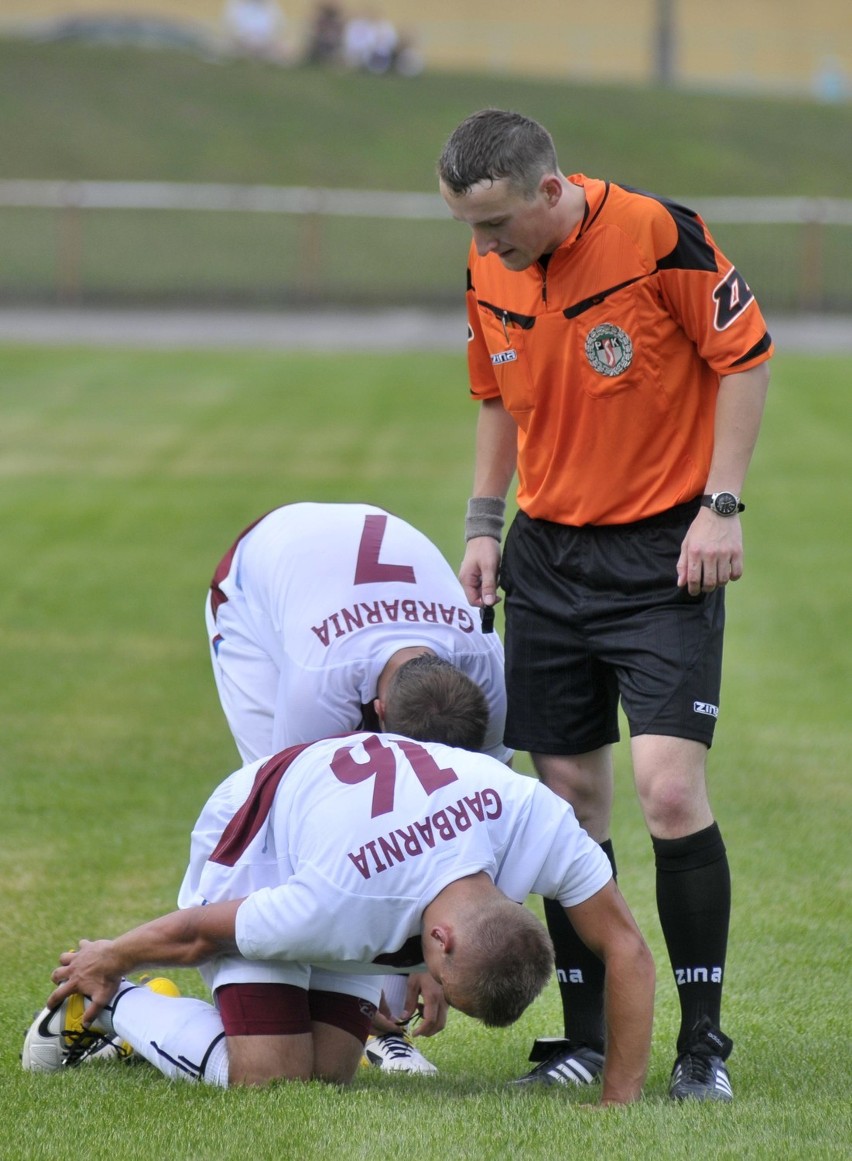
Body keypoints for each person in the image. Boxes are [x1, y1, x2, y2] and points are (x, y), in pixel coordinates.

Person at [437, 108, 773, 1102]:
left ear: (550, 190)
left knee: (669, 790)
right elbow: (497, 397)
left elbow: (745, 357)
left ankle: (701, 1045)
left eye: (497, 224)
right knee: (570, 807)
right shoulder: (486, 264)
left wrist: (721, 509)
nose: (486, 245)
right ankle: (586, 1038)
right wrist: (483, 524)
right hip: (546, 559)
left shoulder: (660, 234)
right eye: (469, 226)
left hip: (664, 557)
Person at [22, 666, 655, 1105]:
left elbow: (627, 950)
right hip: (260, 839)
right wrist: (109, 956)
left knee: (327, 1075)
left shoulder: (537, 820)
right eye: (448, 983)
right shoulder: (341, 902)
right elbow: (195, 936)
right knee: (270, 1080)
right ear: (441, 938)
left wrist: (618, 1101)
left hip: (354, 845)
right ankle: (114, 1005)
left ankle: (167, 1024)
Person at [205, 500, 511, 1072]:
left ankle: (370, 1010)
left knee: (417, 824)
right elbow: (298, 827)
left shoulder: (488, 672)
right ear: (376, 711)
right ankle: (285, 1001)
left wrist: (424, 951)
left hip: (344, 576)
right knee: (301, 818)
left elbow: (471, 814)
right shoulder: (317, 687)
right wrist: (396, 956)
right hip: (252, 590)